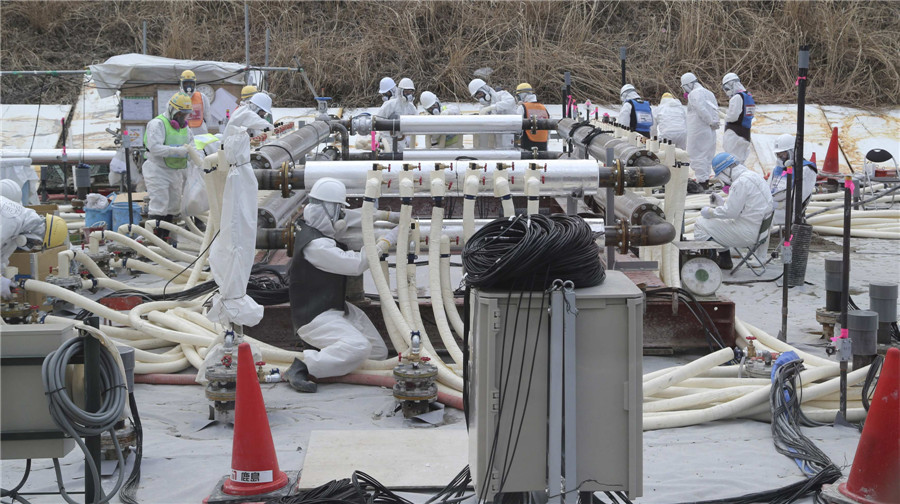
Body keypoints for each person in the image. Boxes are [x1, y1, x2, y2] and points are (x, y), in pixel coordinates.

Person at [284, 177, 395, 392]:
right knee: (360, 347)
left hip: (334, 308)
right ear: (329, 210)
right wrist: (386, 241)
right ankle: (303, 367)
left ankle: (338, 361)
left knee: (378, 353)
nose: (341, 217)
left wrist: (383, 215)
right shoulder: (316, 246)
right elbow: (355, 264)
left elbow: (350, 218)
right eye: (339, 211)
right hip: (316, 318)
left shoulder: (309, 225)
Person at [695, 153, 774, 269]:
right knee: (719, 224)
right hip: (761, 230)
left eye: (720, 176)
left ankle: (715, 262)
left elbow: (730, 213)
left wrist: (710, 212)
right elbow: (744, 208)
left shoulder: (740, 183)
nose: (722, 180)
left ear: (726, 171)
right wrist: (721, 205)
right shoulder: (754, 176)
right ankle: (724, 259)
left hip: (748, 233)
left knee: (700, 224)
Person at [142, 93, 196, 240]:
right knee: (159, 204)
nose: (182, 117)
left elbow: (192, 147)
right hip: (157, 169)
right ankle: (154, 241)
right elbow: (155, 148)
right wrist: (178, 151)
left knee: (173, 205)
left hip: (175, 171)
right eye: (180, 114)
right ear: (172, 110)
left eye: (185, 114)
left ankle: (165, 238)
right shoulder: (157, 124)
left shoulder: (185, 128)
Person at [1, 196, 66, 298]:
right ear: (39, 233)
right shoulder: (11, 222)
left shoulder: (20, 228)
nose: (32, 246)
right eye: (36, 242)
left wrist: (4, 276)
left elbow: (2, 257)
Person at [681, 72, 721, 190]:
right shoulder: (709, 93)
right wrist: (714, 122)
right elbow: (715, 109)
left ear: (688, 84)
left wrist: (709, 120)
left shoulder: (694, 94)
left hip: (698, 129)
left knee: (696, 154)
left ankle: (702, 182)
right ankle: (705, 179)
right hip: (709, 130)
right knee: (706, 155)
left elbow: (700, 108)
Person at [769, 133, 818, 225]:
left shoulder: (806, 170)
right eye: (778, 155)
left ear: (792, 152)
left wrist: (779, 205)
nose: (781, 158)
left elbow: (796, 201)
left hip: (788, 212)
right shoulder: (777, 169)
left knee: (759, 217)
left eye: (783, 154)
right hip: (773, 207)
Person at [468, 78, 517, 148]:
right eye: (477, 96)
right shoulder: (483, 108)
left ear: (485, 90)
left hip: (511, 133)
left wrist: (493, 107)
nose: (480, 98)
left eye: (480, 94)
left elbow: (510, 102)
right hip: (498, 139)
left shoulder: (502, 95)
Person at [375, 77, 417, 152]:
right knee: (390, 157)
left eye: (410, 92)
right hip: (389, 139)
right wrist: (385, 139)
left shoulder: (411, 107)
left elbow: (418, 123)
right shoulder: (390, 105)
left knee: (403, 157)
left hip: (404, 140)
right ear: (401, 91)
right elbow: (377, 122)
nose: (409, 94)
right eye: (406, 92)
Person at [722, 73, 756, 164]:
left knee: (732, 161)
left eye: (727, 88)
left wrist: (722, 115)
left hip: (734, 134)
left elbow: (732, 117)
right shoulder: (748, 96)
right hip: (745, 133)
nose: (727, 91)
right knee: (740, 161)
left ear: (731, 84)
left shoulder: (736, 97)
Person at [515, 83, 550, 151]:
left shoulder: (522, 108)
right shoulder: (543, 108)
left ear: (521, 96)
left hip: (526, 147)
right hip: (543, 147)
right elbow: (549, 130)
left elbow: (516, 128)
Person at [179, 70, 213, 135]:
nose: (188, 86)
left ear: (194, 83)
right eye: (186, 84)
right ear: (181, 84)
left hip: (200, 132)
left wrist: (205, 127)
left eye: (191, 83)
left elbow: (207, 115)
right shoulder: (177, 98)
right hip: (183, 132)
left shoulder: (202, 97)